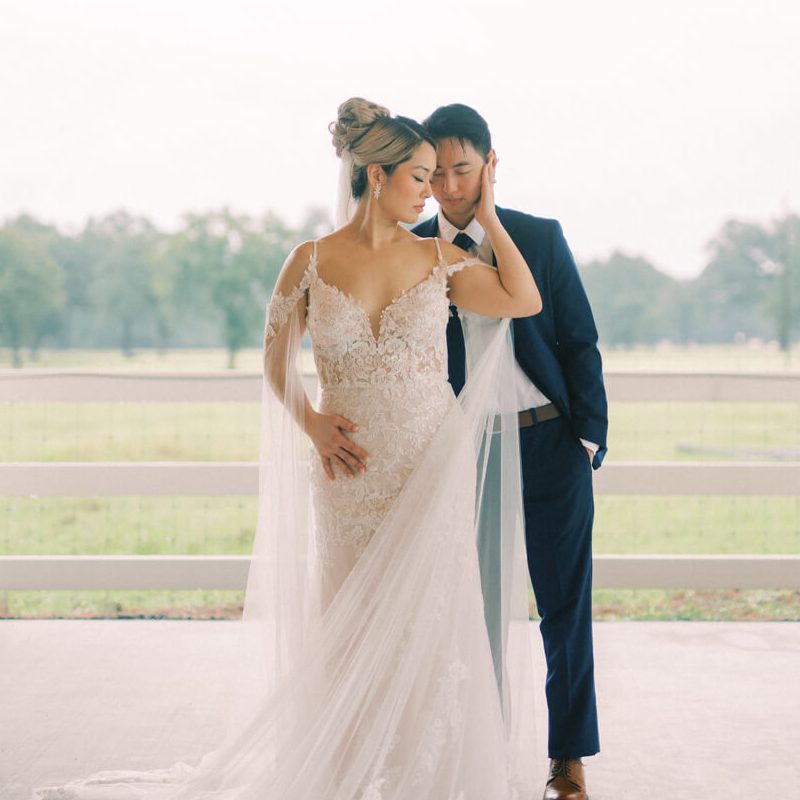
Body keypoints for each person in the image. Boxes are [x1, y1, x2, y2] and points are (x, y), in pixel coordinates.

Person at [33, 98, 542, 800]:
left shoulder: (438, 256)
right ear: (374, 174)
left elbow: (524, 299)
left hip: (429, 461)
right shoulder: (307, 260)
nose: (434, 191)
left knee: (431, 620)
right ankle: (348, 768)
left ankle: (430, 778)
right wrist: (310, 423)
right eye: (419, 177)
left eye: (437, 177)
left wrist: (486, 217)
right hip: (348, 469)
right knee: (349, 618)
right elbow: (274, 361)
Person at [413, 103, 608, 800]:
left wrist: (587, 437)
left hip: (550, 441)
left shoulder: (537, 236)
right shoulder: (412, 249)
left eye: (463, 169)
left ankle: (568, 760)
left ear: (491, 165)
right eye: (435, 174)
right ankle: (480, 750)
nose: (449, 187)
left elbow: (579, 341)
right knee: (474, 606)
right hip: (463, 453)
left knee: (564, 605)